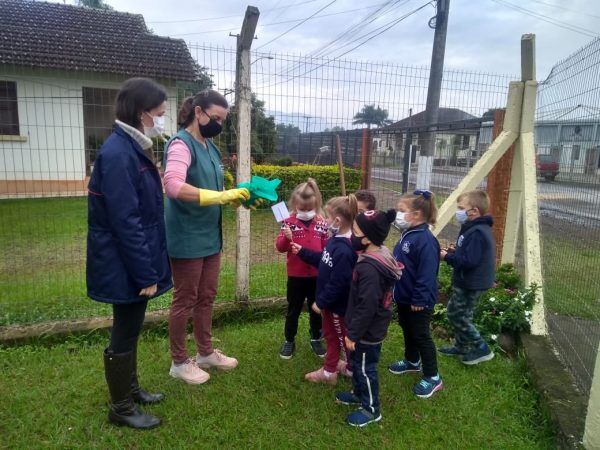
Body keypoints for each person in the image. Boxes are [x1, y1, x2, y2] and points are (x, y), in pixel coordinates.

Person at [87, 77, 173, 429]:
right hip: (124, 262)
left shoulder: (131, 147)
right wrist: (145, 273)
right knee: (124, 329)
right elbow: (126, 221)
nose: (162, 119)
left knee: (131, 325)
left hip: (131, 258)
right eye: (160, 113)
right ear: (142, 113)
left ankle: (131, 388)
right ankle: (121, 407)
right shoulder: (119, 153)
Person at [163, 90, 250, 385]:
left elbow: (214, 189)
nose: (219, 124)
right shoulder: (180, 144)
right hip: (187, 236)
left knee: (207, 296)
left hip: (210, 236)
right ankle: (178, 362)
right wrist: (220, 195)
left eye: (223, 120)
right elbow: (174, 186)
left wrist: (235, 197)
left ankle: (205, 353)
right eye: (215, 118)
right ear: (198, 112)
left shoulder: (210, 146)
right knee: (185, 299)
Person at [335, 209, 401, 427]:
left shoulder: (370, 268)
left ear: (369, 238)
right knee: (356, 362)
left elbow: (368, 305)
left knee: (365, 368)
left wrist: (353, 334)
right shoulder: (376, 252)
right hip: (364, 327)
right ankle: (358, 393)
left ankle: (372, 409)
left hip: (367, 331)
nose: (352, 236)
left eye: (355, 232)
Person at [291, 195, 359, 384]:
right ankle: (344, 367)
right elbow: (323, 259)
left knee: (339, 337)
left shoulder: (345, 250)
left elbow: (339, 282)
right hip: (331, 304)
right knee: (332, 335)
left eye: (327, 217)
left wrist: (321, 302)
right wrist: (303, 252)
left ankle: (340, 371)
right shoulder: (335, 240)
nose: (324, 221)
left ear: (337, 220)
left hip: (337, 306)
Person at [388, 190, 443, 398]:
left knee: (421, 335)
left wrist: (419, 299)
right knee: (407, 329)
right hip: (404, 297)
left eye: (402, 211)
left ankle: (433, 377)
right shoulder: (408, 234)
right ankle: (412, 361)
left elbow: (426, 274)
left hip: (419, 301)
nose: (398, 214)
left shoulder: (425, 240)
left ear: (417, 214)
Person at [439, 190, 496, 365]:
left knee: (456, 315)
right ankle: (462, 346)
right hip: (467, 280)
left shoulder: (478, 232)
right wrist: (456, 251)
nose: (459, 211)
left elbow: (469, 262)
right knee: (464, 314)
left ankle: (482, 348)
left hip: (470, 282)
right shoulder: (472, 228)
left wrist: (446, 257)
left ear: (474, 211)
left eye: (461, 208)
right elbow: (469, 254)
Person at [275, 178, 328, 359]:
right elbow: (281, 247)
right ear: (295, 205)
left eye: (309, 209)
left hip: (317, 276)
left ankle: (316, 338)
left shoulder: (321, 223)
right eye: (302, 209)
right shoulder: (288, 222)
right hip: (296, 276)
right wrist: (286, 237)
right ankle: (289, 340)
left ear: (316, 205)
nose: (305, 213)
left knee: (316, 309)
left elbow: (326, 247)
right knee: (293, 309)